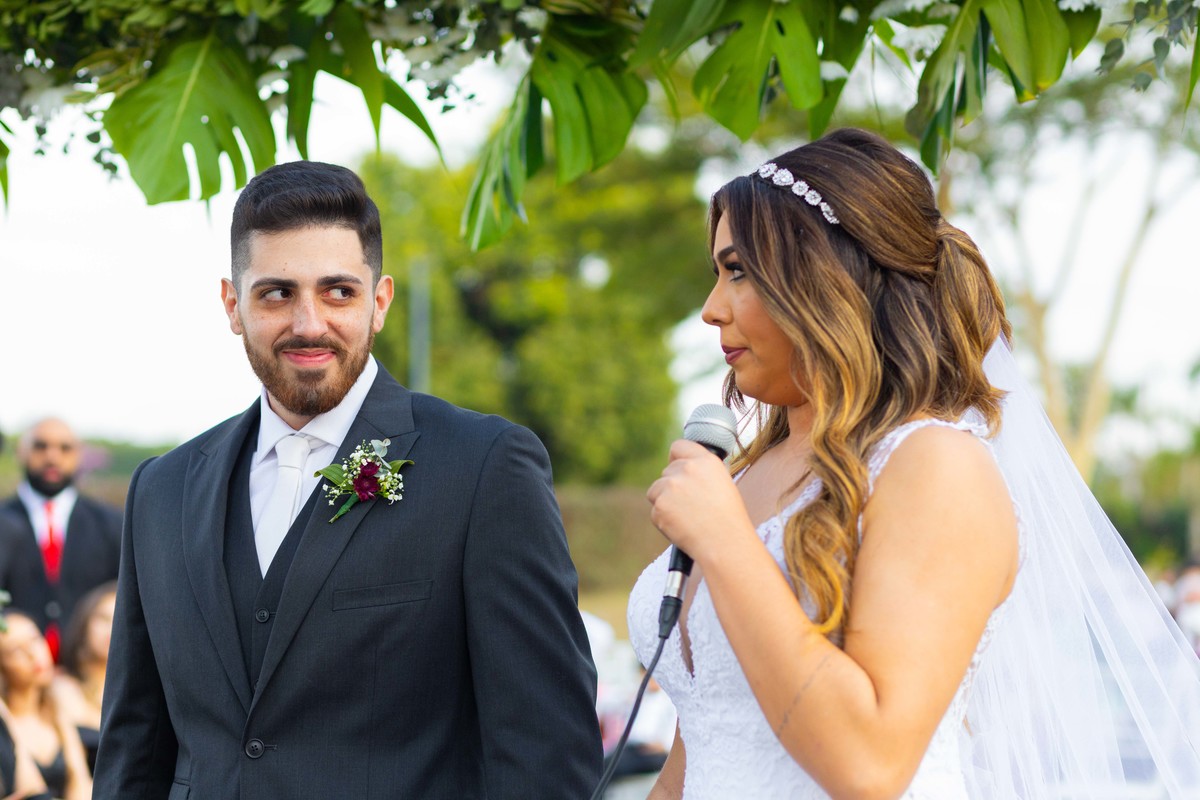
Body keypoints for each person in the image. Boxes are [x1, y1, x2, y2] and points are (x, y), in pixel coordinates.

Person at [627, 128, 1200, 798]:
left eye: (740, 271)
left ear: (826, 279)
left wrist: (724, 542)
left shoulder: (934, 466)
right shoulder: (744, 476)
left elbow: (870, 764)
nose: (710, 308)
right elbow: (703, 748)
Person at [93, 161, 602, 799]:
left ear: (380, 300)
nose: (309, 323)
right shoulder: (160, 491)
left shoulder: (483, 468)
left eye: (338, 291)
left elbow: (546, 750)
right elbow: (133, 748)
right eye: (277, 293)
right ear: (232, 305)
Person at [0, 418, 122, 652]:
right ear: (20, 452)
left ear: (78, 455)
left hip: (91, 674)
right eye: (40, 446)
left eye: (65, 448)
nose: (52, 457)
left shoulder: (112, 525)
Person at [0, 612, 91, 800]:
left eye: (34, 639)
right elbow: (30, 792)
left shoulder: (59, 708)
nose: (33, 654)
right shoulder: (4, 723)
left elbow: (81, 782)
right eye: (16, 650)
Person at [53, 581, 117, 773]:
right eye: (103, 619)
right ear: (85, 623)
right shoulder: (62, 688)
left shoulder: (146, 691)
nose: (112, 628)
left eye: (119, 619)